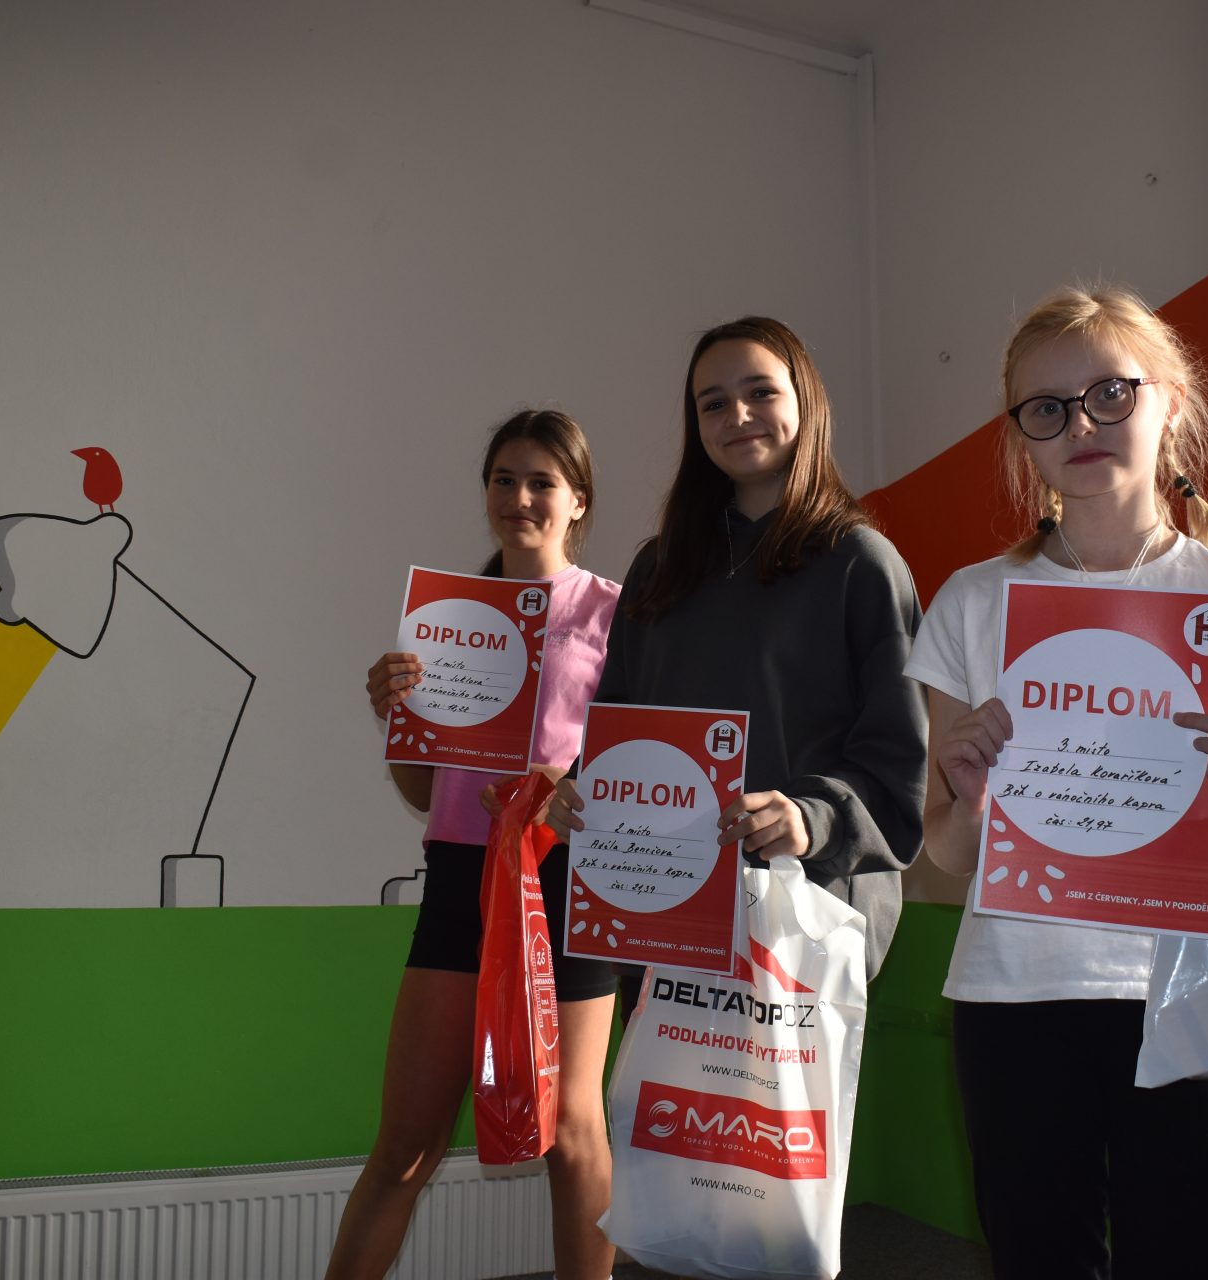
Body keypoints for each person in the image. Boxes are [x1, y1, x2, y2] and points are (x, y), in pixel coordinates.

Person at [904, 285, 1208, 1279]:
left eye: (1109, 394)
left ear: (1169, 401)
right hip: (1016, 994)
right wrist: (967, 791)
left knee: (1203, 1258)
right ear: (1022, 437)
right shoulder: (974, 603)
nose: (1081, 426)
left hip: (1196, 989)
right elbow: (945, 856)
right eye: (1046, 409)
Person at [549, 316, 928, 1010]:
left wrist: (812, 818)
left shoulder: (861, 563)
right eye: (714, 403)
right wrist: (584, 787)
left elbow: (900, 763)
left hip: (800, 928)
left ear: (806, 402)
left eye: (760, 392)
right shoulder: (658, 568)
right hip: (660, 920)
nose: (738, 415)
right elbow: (622, 727)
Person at [326, 411, 620, 1280]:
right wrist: (397, 714)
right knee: (405, 1148)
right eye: (503, 479)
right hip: (462, 878)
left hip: (571, 880)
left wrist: (570, 785)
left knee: (574, 1134)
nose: (519, 498)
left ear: (578, 500)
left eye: (541, 482)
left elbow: (641, 763)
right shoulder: (447, 621)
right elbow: (425, 793)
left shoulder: (618, 615)